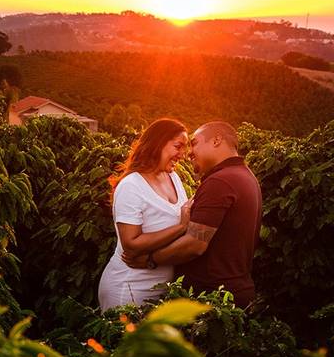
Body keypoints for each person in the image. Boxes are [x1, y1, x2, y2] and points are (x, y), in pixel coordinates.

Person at [122, 122, 262, 307]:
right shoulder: (245, 176)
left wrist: (150, 260)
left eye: (194, 143)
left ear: (217, 140)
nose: (189, 152)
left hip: (214, 296)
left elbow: (195, 244)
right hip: (231, 290)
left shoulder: (220, 181)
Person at [97, 118, 193, 310]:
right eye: (178, 146)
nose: (183, 154)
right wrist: (181, 227)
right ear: (158, 143)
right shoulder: (131, 186)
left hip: (162, 291)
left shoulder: (173, 177)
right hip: (129, 289)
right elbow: (131, 245)